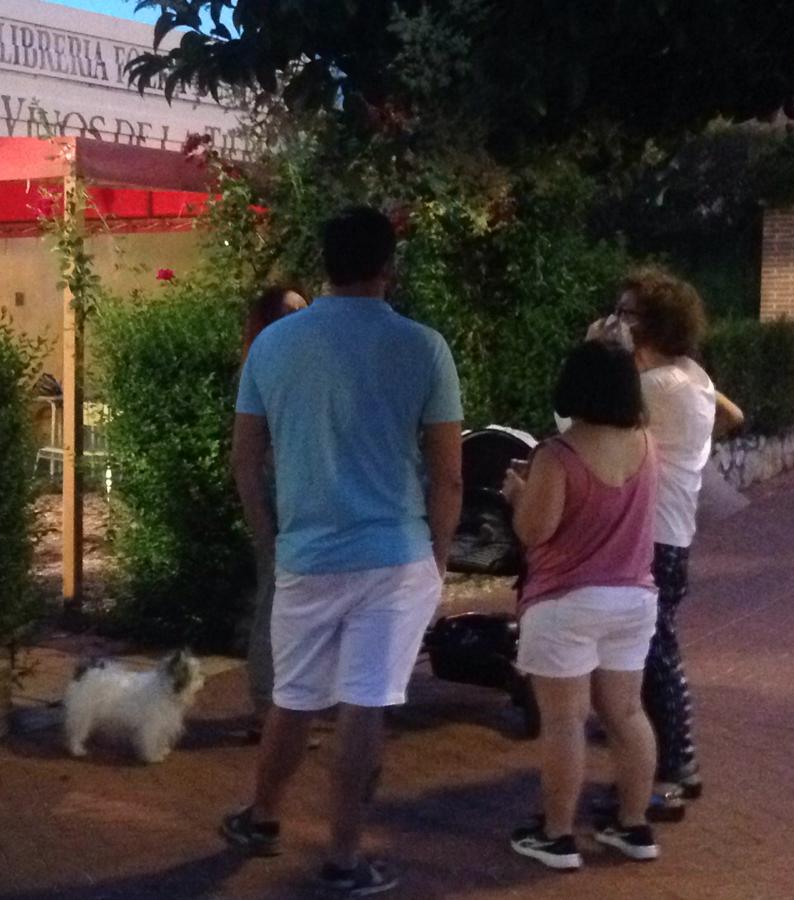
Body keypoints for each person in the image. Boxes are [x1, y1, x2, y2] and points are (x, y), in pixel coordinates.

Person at [223, 206, 463, 895]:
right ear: (389, 264)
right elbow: (448, 474)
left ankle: (263, 818)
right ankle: (344, 858)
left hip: (306, 555)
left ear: (325, 262)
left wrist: (269, 538)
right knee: (366, 704)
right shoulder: (425, 348)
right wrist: (439, 555)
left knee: (294, 698)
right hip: (396, 554)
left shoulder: (273, 346)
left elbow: (244, 458)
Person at [503, 340, 662, 870]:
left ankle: (557, 835)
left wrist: (518, 494)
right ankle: (634, 825)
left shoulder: (559, 454)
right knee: (627, 712)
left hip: (565, 603)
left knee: (565, 721)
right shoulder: (647, 445)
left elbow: (534, 531)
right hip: (633, 599)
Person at [612, 267, 717, 819]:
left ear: (653, 323)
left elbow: (581, 421)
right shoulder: (690, 375)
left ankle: (675, 768)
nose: (617, 322)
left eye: (626, 313)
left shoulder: (659, 387)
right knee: (659, 652)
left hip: (654, 537)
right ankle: (679, 761)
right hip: (669, 534)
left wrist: (599, 355)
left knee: (655, 657)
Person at [240, 284, 308, 736]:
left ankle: (286, 704)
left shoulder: (302, 363)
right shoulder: (265, 366)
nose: (301, 319)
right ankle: (267, 705)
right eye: (291, 311)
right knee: (273, 597)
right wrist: (262, 525)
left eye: (304, 309)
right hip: (278, 495)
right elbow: (247, 454)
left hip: (300, 495)